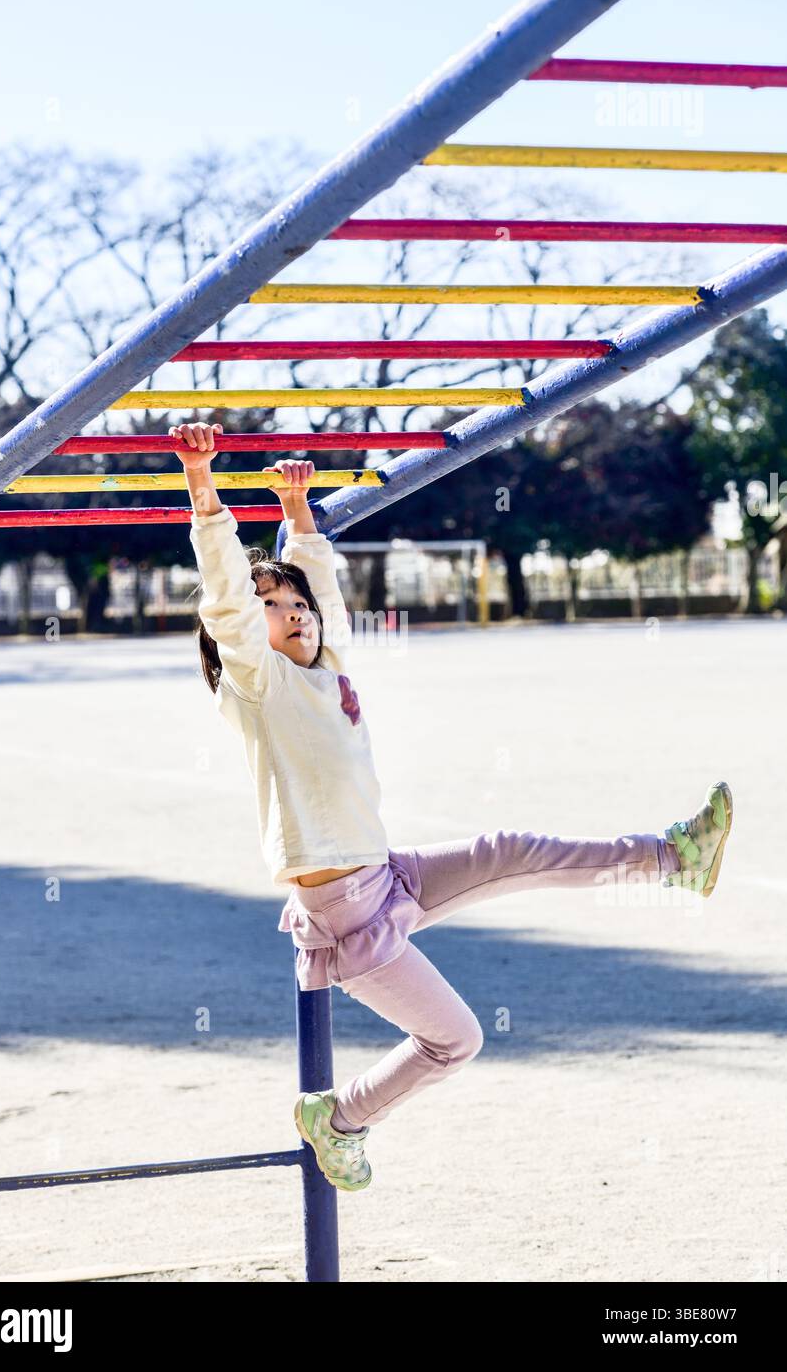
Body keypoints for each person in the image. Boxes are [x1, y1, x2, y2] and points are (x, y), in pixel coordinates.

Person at [173, 419, 734, 1195]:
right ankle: (340, 1122)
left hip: (386, 873)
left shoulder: (326, 660)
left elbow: (320, 584)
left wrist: (298, 512)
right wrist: (204, 483)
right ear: (244, 631)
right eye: (273, 604)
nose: (293, 610)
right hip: (343, 909)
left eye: (295, 600)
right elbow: (228, 601)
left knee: (515, 849)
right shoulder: (258, 685)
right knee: (457, 1039)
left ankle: (675, 858)